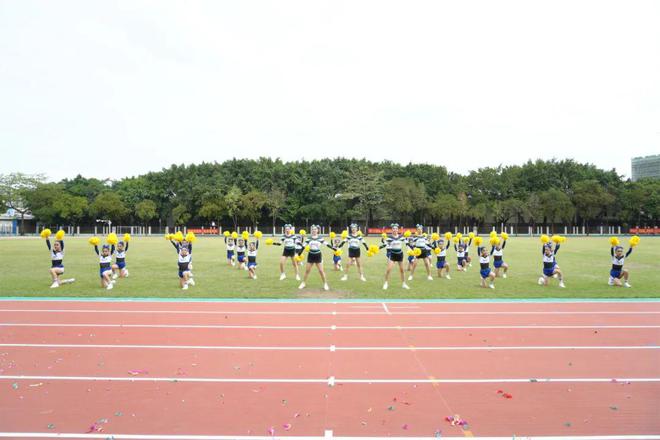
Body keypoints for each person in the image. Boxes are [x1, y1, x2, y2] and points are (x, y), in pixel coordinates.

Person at [298, 225, 331, 291]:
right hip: (310, 255)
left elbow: (326, 244)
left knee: (321, 271)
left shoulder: (320, 238)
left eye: (315, 229)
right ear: (311, 230)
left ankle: (325, 284)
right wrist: (299, 253)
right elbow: (303, 246)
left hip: (318, 255)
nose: (314, 230)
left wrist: (333, 248)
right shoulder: (309, 238)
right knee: (307, 271)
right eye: (313, 229)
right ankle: (303, 283)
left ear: (317, 230)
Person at [382, 224, 411, 290]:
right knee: (388, 269)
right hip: (392, 255)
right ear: (392, 230)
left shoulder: (401, 237)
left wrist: (411, 249)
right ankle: (386, 283)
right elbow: (384, 244)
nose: (395, 230)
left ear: (398, 230)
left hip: (400, 255)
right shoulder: (389, 237)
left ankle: (404, 284)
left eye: (396, 229)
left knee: (402, 270)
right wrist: (378, 248)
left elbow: (407, 243)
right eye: (393, 229)